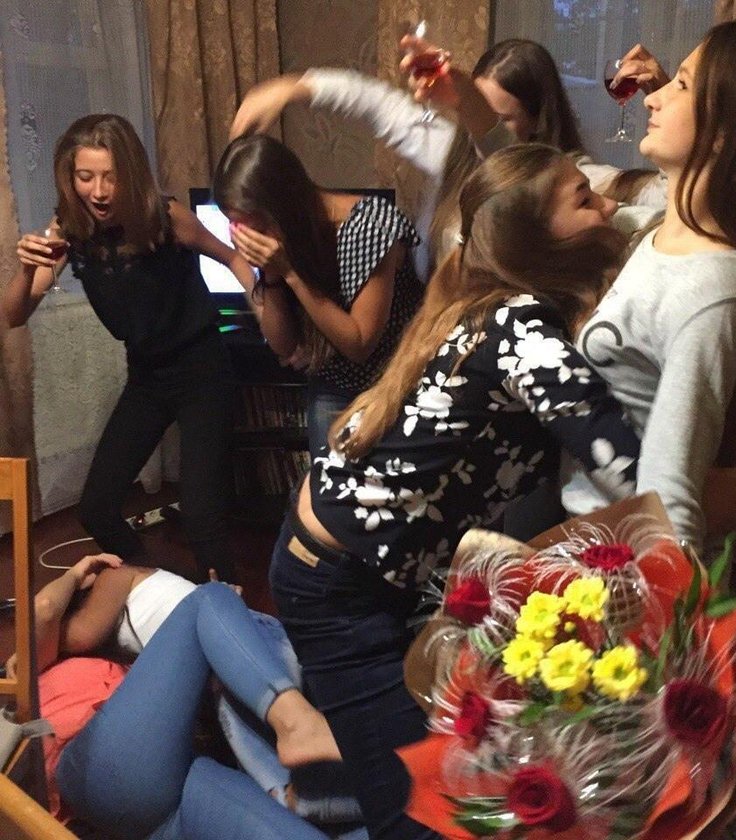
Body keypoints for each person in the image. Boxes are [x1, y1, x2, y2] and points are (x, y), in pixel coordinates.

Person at [269, 144, 642, 840]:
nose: (608, 206)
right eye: (584, 198)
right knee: (416, 812)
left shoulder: (494, 304)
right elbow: (624, 467)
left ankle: (326, 779)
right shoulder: (520, 325)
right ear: (534, 239)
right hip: (337, 584)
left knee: (419, 761)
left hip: (357, 567)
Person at [562, 22, 736, 550]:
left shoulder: (707, 291)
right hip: (578, 535)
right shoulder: (659, 231)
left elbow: (669, 506)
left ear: (729, 129)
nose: (653, 98)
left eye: (682, 85)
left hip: (603, 560)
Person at [3, 114, 256, 582]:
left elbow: (232, 257)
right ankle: (157, 584)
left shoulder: (166, 217)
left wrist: (264, 306)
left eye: (111, 176)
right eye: (85, 176)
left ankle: (227, 603)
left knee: (202, 514)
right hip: (147, 376)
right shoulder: (68, 229)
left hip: (203, 369)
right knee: (96, 509)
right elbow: (14, 315)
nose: (98, 191)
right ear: (69, 176)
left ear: (131, 173)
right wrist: (26, 269)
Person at [229, 39, 665, 278]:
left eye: (498, 118)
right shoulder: (454, 150)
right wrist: (294, 87)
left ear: (537, 119)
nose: (477, 125)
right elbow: (376, 104)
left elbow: (669, 198)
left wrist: (666, 100)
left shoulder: (575, 183)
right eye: (470, 106)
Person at [9, 555, 362, 839]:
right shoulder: (23, 668)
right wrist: (76, 573)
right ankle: (298, 726)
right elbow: (45, 608)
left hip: (165, 798)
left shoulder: (138, 669)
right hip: (91, 763)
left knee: (342, 823)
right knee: (210, 597)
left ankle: (310, 789)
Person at [212, 135, 424, 458]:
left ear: (282, 207)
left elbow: (360, 343)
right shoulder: (288, 235)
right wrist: (270, 273)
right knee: (326, 484)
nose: (249, 237)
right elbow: (283, 345)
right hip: (332, 383)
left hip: (394, 383)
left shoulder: (369, 225)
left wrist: (290, 273)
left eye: (256, 227)